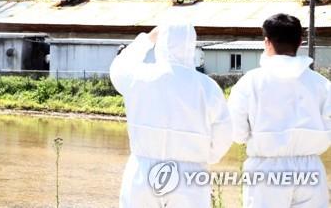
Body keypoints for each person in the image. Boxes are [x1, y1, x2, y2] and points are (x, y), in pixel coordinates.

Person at [110, 22, 232, 208]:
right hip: (190, 177)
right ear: (192, 46)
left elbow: (119, 67)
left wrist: (147, 39)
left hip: (142, 171)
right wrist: (205, 158)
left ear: (161, 43)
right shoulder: (207, 87)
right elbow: (224, 133)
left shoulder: (139, 75)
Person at [228, 13, 331, 208]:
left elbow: (237, 133)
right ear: (300, 41)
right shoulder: (321, 84)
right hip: (310, 169)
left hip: (266, 170)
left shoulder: (250, 82)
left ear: (266, 41)